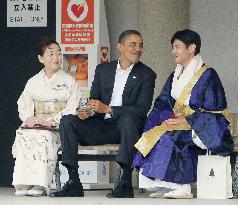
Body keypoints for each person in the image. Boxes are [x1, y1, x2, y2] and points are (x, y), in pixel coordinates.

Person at [49, 30, 157, 198]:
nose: (138, 49)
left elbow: (142, 110)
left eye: (140, 45)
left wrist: (108, 109)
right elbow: (94, 99)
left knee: (128, 119)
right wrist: (86, 111)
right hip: (100, 126)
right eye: (132, 44)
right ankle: (73, 182)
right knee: (68, 121)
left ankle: (126, 182)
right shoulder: (103, 70)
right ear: (120, 47)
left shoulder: (147, 74)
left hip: (126, 130)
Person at [132, 29, 234, 199]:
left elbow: (215, 108)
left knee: (172, 138)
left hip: (205, 127)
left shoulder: (208, 75)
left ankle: (182, 186)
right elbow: (162, 103)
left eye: (177, 46)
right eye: (173, 47)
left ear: (192, 47)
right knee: (152, 135)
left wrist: (188, 122)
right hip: (180, 123)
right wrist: (159, 122)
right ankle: (165, 184)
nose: (173, 51)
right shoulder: (175, 75)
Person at [12, 39, 80, 196]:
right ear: (40, 58)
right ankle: (24, 183)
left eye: (58, 53)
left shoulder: (69, 81)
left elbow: (72, 108)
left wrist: (50, 121)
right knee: (24, 134)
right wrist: (30, 119)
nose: (56, 57)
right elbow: (23, 103)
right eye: (51, 54)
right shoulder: (33, 82)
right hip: (36, 125)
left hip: (57, 128)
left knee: (44, 136)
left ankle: (41, 184)